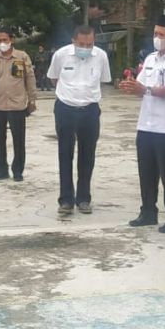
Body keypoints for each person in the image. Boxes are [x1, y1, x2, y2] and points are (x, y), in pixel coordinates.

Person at [119, 15, 165, 231]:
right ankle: (148, 211)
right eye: (155, 33)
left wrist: (145, 89)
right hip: (146, 125)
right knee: (146, 172)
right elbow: (141, 87)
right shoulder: (150, 59)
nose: (157, 38)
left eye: (162, 34)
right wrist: (131, 87)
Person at [47, 26, 113, 215]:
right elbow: (54, 79)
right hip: (65, 108)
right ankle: (66, 200)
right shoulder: (61, 55)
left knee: (88, 154)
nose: (85, 48)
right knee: (65, 153)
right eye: (81, 44)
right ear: (73, 41)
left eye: (89, 44)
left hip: (90, 109)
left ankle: (84, 198)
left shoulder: (101, 56)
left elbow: (103, 80)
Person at [0, 28, 38, 182]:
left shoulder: (22, 57)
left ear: (11, 40)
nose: (2, 43)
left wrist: (32, 99)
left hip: (17, 105)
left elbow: (30, 78)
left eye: (5, 40)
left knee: (19, 140)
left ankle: (18, 171)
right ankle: (1, 170)